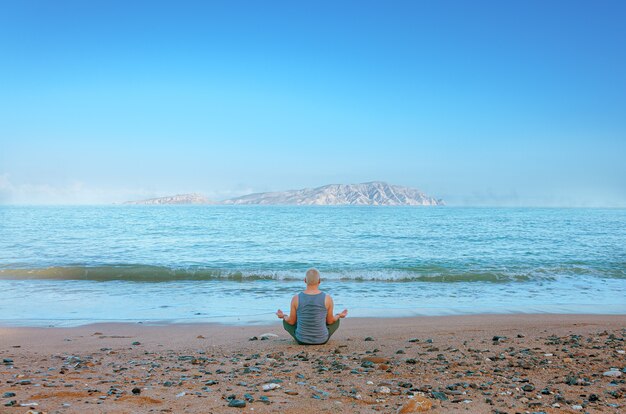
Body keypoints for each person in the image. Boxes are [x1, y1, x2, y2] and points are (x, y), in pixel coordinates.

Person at [276, 268, 348, 345]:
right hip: (322, 340)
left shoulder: (296, 298)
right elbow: (330, 321)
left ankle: (302, 334)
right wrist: (339, 315)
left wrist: (284, 316)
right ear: (319, 281)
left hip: (301, 340)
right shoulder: (328, 298)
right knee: (336, 321)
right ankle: (320, 334)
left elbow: (291, 321)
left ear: (305, 280)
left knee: (286, 322)